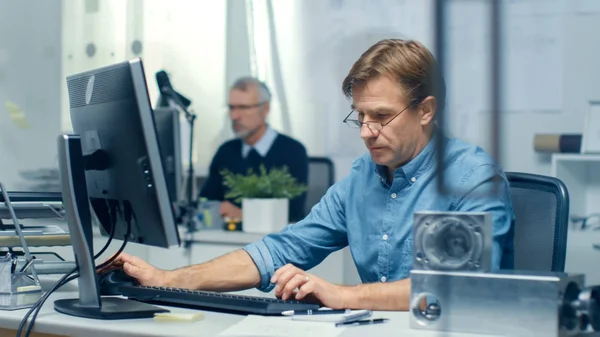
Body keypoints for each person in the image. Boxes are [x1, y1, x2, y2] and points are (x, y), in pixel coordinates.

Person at [109, 39, 514, 311]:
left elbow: (462, 289)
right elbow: (277, 251)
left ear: (426, 110)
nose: (367, 132)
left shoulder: (474, 179)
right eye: (360, 116)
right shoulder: (362, 177)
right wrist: (169, 279)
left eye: (382, 117)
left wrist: (341, 294)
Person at [199, 77, 308, 223]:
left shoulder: (292, 152)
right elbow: (206, 202)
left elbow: (292, 213)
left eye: (243, 107)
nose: (234, 116)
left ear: (265, 109)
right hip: (226, 240)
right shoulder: (226, 151)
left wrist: (245, 216)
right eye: (231, 107)